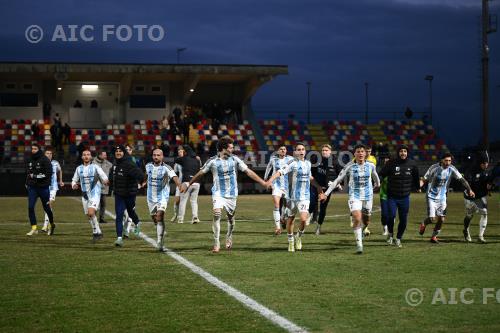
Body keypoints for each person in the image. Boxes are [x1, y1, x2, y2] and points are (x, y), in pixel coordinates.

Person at [183, 136, 267, 253]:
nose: (233, 150)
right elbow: (200, 173)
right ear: (223, 148)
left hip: (232, 194)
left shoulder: (235, 159)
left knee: (231, 219)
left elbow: (248, 172)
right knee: (217, 213)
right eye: (231, 148)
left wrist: (262, 182)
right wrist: (188, 184)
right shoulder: (212, 161)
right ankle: (216, 243)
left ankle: (229, 236)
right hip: (218, 193)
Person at [266, 142, 326, 252]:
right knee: (291, 219)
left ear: (305, 151)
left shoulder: (308, 163)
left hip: (304, 197)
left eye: (303, 149)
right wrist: (270, 180)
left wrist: (318, 188)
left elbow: (310, 177)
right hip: (292, 197)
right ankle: (290, 242)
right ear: (295, 152)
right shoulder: (292, 163)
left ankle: (298, 237)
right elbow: (279, 172)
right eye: (299, 149)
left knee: (303, 219)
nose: (301, 151)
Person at [325, 144, 380, 254]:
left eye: (362, 151)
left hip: (368, 196)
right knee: (357, 217)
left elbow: (375, 177)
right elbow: (337, 180)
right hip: (354, 196)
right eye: (358, 152)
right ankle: (359, 245)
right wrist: (326, 194)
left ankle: (364, 230)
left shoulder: (370, 165)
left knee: (366, 220)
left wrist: (377, 185)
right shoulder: (349, 166)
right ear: (354, 154)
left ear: (365, 154)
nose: (360, 153)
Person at [419, 152, 474, 243]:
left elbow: (462, 180)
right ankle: (424, 223)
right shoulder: (434, 168)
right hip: (431, 196)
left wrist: (470, 190)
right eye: (446, 160)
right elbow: (424, 179)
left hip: (442, 197)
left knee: (442, 219)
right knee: (432, 219)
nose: (448, 163)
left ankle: (433, 237)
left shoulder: (452, 168)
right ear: (441, 160)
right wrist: (419, 186)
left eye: (449, 161)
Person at [378, 145, 420, 247]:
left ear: (407, 153)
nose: (403, 153)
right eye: (401, 151)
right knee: (390, 216)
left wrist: (418, 187)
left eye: (405, 151)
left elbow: (416, 177)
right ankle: (390, 234)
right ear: (398, 153)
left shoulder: (412, 164)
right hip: (392, 196)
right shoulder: (391, 163)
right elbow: (382, 173)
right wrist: (381, 182)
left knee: (404, 220)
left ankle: (398, 238)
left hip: (405, 197)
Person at [141, 148, 181, 251]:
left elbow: (175, 177)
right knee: (155, 219)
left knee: (159, 216)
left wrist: (180, 186)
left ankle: (160, 242)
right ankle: (159, 228)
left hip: (162, 197)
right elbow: (146, 175)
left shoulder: (167, 168)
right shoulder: (148, 166)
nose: (156, 157)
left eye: (158, 155)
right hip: (150, 197)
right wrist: (144, 182)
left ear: (162, 156)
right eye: (154, 155)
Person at [109, 145, 144, 247]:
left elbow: (141, 176)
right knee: (119, 215)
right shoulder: (115, 164)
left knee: (130, 212)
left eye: (120, 151)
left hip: (130, 194)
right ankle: (119, 238)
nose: (118, 153)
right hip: (119, 194)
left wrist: (139, 182)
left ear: (124, 153)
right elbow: (113, 178)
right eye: (116, 151)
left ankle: (137, 223)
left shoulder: (129, 164)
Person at [71, 149, 109, 241]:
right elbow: (74, 180)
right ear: (82, 157)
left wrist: (105, 180)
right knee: (89, 215)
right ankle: (98, 232)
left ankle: (95, 233)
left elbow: (104, 176)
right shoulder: (79, 168)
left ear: (91, 157)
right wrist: (74, 185)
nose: (86, 156)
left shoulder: (96, 167)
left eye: (88, 154)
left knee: (91, 212)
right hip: (85, 195)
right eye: (84, 155)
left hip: (95, 193)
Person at [308, 144, 342, 235]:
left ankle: (319, 227)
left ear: (330, 152)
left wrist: (337, 184)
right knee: (311, 202)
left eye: (326, 150)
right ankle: (308, 216)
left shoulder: (335, 161)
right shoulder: (316, 159)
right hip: (316, 186)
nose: (324, 152)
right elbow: (311, 172)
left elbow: (341, 174)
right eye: (323, 150)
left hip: (327, 189)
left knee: (323, 208)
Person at [263, 144, 294, 235]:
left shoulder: (290, 159)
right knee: (276, 204)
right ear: (278, 151)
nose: (283, 150)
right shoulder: (273, 159)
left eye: (284, 149)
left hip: (287, 186)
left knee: (287, 206)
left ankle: (282, 218)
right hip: (276, 185)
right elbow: (268, 168)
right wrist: (266, 179)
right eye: (281, 149)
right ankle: (277, 227)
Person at [25, 144, 55, 236]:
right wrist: (27, 182)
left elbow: (48, 174)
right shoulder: (29, 159)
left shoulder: (45, 160)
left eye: (35, 149)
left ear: (39, 149)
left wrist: (35, 176)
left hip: (43, 188)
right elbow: (29, 172)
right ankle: (34, 228)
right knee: (30, 207)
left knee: (47, 208)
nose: (33, 150)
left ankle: (52, 224)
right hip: (33, 188)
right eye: (32, 149)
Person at [463, 155, 493, 243]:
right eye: (484, 163)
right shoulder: (471, 171)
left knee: (484, 213)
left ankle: (480, 236)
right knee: (470, 215)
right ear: (480, 163)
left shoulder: (485, 171)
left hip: (480, 196)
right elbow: (466, 183)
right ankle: (466, 230)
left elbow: (486, 182)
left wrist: (488, 188)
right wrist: (469, 192)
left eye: (487, 163)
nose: (486, 165)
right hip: (470, 197)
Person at [175, 145, 202, 224]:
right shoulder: (197, 160)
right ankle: (195, 217)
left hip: (186, 182)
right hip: (196, 183)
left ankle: (180, 219)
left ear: (185, 151)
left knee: (183, 201)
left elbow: (176, 160)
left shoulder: (184, 158)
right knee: (194, 201)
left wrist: (181, 155)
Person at [41, 147, 64, 233]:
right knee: (46, 206)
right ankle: (51, 223)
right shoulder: (41, 163)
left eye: (50, 154)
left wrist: (60, 180)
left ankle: (45, 225)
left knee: (49, 204)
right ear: (44, 154)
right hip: (44, 187)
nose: (49, 155)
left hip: (53, 187)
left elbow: (60, 170)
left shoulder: (55, 163)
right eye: (47, 153)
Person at [121, 143, 141, 236]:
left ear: (131, 151)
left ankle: (127, 230)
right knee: (122, 211)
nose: (127, 151)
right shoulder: (119, 160)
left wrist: (138, 183)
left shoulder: (135, 160)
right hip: (121, 188)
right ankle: (125, 229)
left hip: (131, 188)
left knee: (130, 210)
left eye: (129, 149)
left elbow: (138, 173)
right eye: (126, 149)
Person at [93, 150, 113, 224]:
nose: (106, 156)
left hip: (104, 187)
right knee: (95, 203)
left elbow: (113, 167)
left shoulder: (107, 163)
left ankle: (102, 218)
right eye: (104, 155)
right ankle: (94, 218)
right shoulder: (93, 163)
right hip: (96, 187)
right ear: (100, 155)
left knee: (103, 203)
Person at [170, 146, 185, 223]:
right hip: (180, 183)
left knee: (188, 201)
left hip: (188, 182)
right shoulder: (177, 162)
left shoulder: (188, 160)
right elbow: (174, 172)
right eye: (178, 151)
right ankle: (176, 214)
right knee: (177, 201)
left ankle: (194, 216)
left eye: (181, 151)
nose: (179, 152)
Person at [377, 152, 391, 238]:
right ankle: (385, 228)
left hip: (393, 195)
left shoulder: (395, 171)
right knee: (385, 214)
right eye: (385, 161)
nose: (386, 161)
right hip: (384, 195)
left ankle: (390, 229)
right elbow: (378, 180)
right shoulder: (382, 171)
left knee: (392, 213)